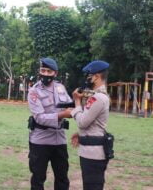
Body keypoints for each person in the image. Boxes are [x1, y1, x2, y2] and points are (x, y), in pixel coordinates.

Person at [27, 57, 72, 190]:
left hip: (60, 140)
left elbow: (69, 104)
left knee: (62, 178)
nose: (45, 74)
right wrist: (63, 114)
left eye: (49, 71)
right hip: (41, 140)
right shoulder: (34, 91)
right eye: (43, 70)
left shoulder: (60, 87)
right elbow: (40, 117)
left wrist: (78, 102)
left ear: (55, 73)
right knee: (38, 179)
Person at [70, 60, 111, 190]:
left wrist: (76, 103)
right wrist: (81, 135)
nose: (87, 78)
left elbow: (82, 122)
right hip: (91, 152)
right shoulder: (98, 96)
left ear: (97, 76)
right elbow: (94, 124)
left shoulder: (98, 98)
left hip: (93, 154)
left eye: (89, 75)